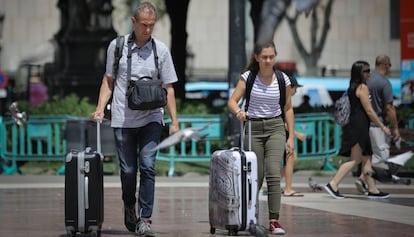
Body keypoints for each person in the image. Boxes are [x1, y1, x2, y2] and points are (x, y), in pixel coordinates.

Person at [91, 2, 179, 236]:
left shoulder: (161, 50)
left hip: (152, 118)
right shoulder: (117, 47)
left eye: (152, 25)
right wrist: (100, 108)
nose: (148, 30)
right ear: (133, 22)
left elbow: (169, 88)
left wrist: (175, 122)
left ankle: (145, 219)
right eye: (144, 25)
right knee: (129, 171)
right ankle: (129, 204)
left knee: (148, 167)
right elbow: (108, 81)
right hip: (123, 118)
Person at [228, 41, 295, 235]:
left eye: (271, 57)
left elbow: (288, 109)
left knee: (273, 172)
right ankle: (248, 217)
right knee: (254, 176)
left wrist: (290, 137)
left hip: (275, 127)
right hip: (253, 128)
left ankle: (274, 220)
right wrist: (239, 112)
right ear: (256, 57)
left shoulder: (283, 79)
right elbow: (232, 101)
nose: (268, 60)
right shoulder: (248, 77)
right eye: (264, 57)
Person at [324, 60, 391, 200]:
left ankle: (373, 189)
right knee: (356, 159)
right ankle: (333, 184)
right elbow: (369, 111)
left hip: (356, 125)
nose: (369, 73)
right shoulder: (362, 87)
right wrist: (382, 126)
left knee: (366, 158)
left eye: (369, 70)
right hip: (359, 127)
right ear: (359, 73)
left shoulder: (353, 87)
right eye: (366, 71)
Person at [355, 55, 400, 194]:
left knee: (370, 156)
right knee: (380, 157)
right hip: (377, 125)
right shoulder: (385, 83)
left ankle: (365, 181)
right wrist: (395, 128)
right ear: (386, 65)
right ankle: (366, 182)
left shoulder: (366, 79)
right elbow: (389, 108)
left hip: (363, 124)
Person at [281, 77, 307, 197]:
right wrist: (297, 134)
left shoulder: (284, 99)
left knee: (292, 159)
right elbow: (284, 123)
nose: (296, 91)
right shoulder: (284, 101)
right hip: (282, 134)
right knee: (290, 158)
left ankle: (274, 184)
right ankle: (288, 188)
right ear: (289, 87)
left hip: (282, 134)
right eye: (295, 88)